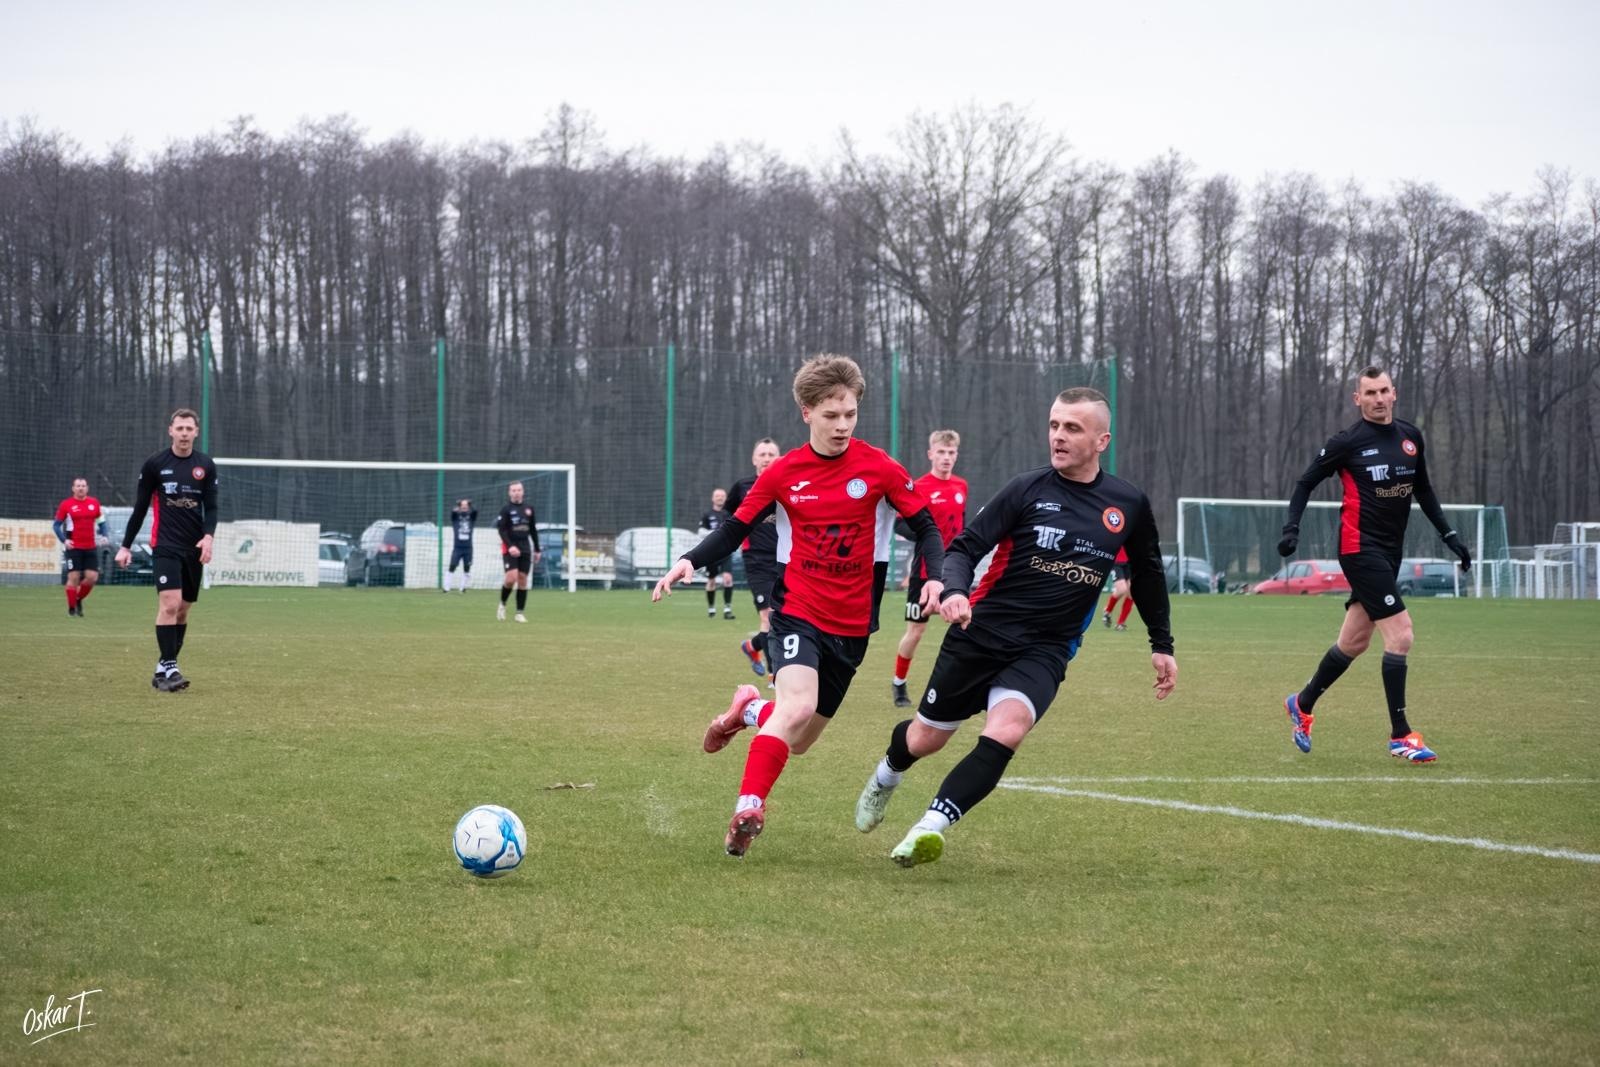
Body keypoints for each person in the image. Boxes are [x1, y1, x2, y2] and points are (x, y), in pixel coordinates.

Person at [854, 387, 1178, 868]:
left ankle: (927, 828)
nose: (1058, 436)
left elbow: (1148, 574)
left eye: (1072, 428)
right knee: (925, 739)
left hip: (1046, 648)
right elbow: (965, 547)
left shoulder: (1127, 503)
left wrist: (1161, 643)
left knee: (1008, 729)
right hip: (981, 635)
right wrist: (956, 591)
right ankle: (886, 775)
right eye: (1054, 425)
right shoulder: (1026, 489)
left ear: (1102, 440)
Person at [652, 354, 947, 859]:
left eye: (850, 414)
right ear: (806, 412)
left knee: (801, 737)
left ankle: (749, 710)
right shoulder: (784, 473)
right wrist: (688, 561)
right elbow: (735, 528)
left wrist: (936, 577)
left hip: (853, 625)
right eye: (831, 415)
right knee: (798, 707)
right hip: (797, 610)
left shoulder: (879, 468)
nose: (842, 425)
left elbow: (926, 527)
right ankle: (748, 808)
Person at [1276, 366, 1470, 764]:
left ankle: (1302, 703)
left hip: (1390, 552)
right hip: (1359, 549)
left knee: (1354, 642)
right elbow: (1304, 482)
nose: (1378, 399)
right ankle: (1400, 736)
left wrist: (1449, 536)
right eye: (1370, 393)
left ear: (1394, 393)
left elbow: (1424, 490)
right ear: (1357, 399)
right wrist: (1291, 528)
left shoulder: (1410, 437)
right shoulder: (1347, 442)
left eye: (1384, 391)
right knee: (1401, 634)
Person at [114, 408, 218, 691]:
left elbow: (211, 508)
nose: (184, 433)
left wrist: (208, 537)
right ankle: (171, 669)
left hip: (193, 548)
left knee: (182, 610)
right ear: (170, 430)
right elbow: (140, 508)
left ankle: (163, 669)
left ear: (196, 432)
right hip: (165, 546)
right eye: (179, 428)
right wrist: (125, 546)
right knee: (170, 604)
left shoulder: (205, 465)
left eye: (189, 428)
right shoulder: (155, 464)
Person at [892, 429, 968, 706]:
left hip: (955, 570)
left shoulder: (961, 486)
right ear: (930, 454)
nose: (946, 457)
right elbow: (899, 524)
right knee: (916, 632)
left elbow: (961, 524)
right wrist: (928, 537)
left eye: (951, 452)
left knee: (965, 625)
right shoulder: (920, 487)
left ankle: (959, 686)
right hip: (924, 572)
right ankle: (899, 684)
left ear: (956, 455)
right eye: (941, 452)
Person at [727, 438, 781, 679]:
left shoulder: (787, 484)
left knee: (785, 617)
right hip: (756, 559)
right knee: (768, 616)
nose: (767, 458)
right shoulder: (742, 487)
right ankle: (774, 675)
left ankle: (752, 646)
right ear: (754, 459)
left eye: (771, 454)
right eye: (762, 454)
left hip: (786, 557)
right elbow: (729, 514)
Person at [53, 477, 106, 617]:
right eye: (78, 486)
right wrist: (64, 540)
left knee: (92, 577)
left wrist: (104, 534)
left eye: (83, 486)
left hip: (90, 547)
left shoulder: (94, 503)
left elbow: (101, 521)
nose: (81, 488)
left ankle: (77, 599)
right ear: (73, 488)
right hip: (73, 547)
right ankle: (72, 609)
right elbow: (56, 525)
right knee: (74, 577)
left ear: (87, 488)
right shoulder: (66, 504)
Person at [496, 482, 540, 623]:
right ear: (509, 493)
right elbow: (501, 530)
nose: (516, 493)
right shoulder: (505, 510)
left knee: (522, 579)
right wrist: (510, 546)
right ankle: (502, 604)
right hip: (510, 547)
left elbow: (533, 530)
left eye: (519, 490)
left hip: (525, 547)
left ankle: (519, 613)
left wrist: (537, 549)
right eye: (514, 490)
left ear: (523, 492)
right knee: (511, 578)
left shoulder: (529, 509)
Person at [698, 488, 736, 619]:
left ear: (725, 498)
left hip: (726, 552)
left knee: (728, 578)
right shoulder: (707, 514)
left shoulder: (729, 514)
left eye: (722, 496)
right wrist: (716, 534)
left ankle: (727, 609)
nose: (720, 498)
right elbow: (701, 532)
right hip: (712, 553)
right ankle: (711, 608)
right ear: (713, 498)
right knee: (711, 581)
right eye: (717, 496)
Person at [445, 498, 477, 593]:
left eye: (466, 505)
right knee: (452, 565)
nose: (464, 507)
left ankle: (463, 588)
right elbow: (453, 512)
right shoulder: (456, 517)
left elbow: (475, 511)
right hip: (457, 547)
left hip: (468, 548)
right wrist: (458, 505)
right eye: (462, 505)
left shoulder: (471, 517)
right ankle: (446, 587)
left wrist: (470, 504)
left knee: (467, 567)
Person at [1101, 546, 1134, 630]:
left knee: (1132, 593)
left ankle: (1120, 623)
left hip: (1130, 561)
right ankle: (1107, 610)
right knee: (1122, 589)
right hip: (1116, 561)